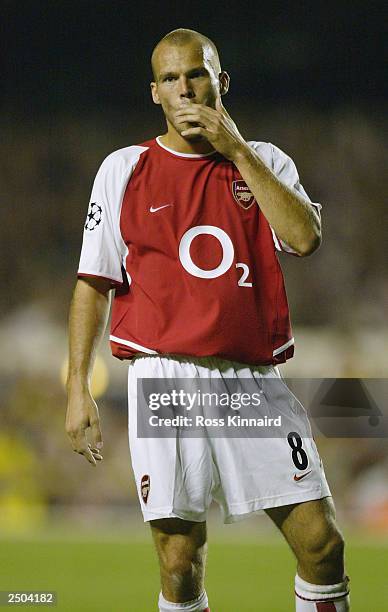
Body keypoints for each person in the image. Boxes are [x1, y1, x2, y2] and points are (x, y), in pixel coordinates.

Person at [66, 28, 350, 612]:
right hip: (165, 378)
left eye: (196, 74)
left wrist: (238, 150)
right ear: (154, 93)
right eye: (170, 78)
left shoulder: (265, 160)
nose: (185, 89)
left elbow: (305, 237)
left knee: (321, 544)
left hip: (250, 379)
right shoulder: (125, 169)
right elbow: (93, 283)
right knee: (179, 558)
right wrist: (77, 386)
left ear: (220, 82)